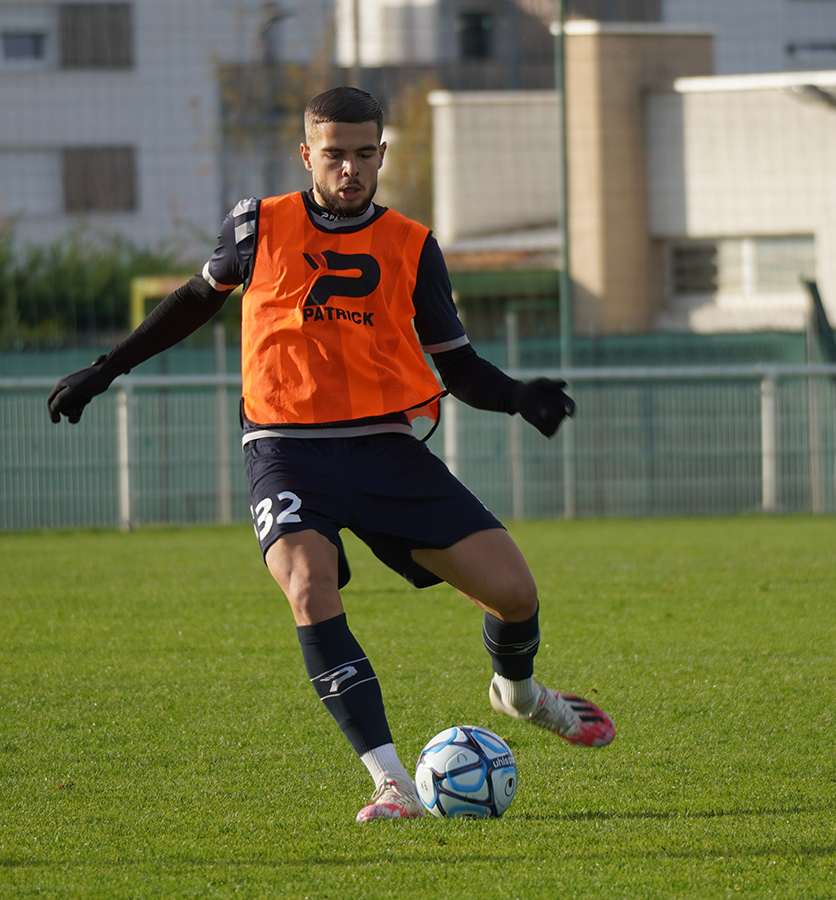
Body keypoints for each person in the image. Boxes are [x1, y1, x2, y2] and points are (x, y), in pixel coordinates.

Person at [47, 86, 615, 822]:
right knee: (309, 588)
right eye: (335, 154)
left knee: (515, 595)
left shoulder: (412, 244)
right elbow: (196, 298)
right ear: (308, 154)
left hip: (385, 449)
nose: (349, 168)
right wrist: (105, 368)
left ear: (382, 153)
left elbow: (459, 367)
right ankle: (391, 782)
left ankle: (519, 693)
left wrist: (518, 396)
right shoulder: (259, 225)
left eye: (364, 153)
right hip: (285, 451)